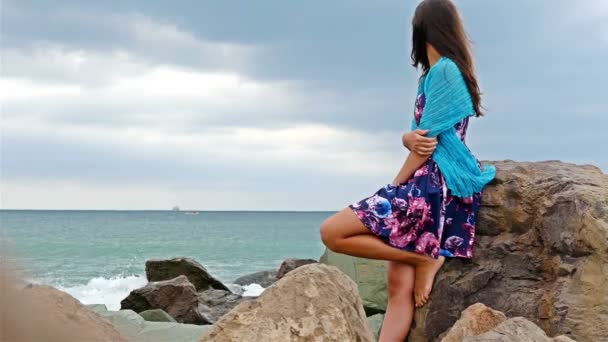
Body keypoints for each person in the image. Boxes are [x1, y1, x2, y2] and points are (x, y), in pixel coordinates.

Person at [319, 0, 496, 340]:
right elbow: (418, 136)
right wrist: (405, 137)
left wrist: (396, 184)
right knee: (399, 292)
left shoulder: (445, 72)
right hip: (428, 183)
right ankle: (419, 259)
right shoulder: (431, 76)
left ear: (422, 29)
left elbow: (426, 144)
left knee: (332, 232)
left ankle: (423, 259)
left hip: (432, 186)